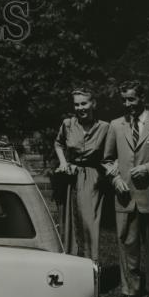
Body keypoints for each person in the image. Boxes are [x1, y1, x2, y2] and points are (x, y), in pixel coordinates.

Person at [102, 81, 149, 297]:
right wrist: (115, 179)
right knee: (127, 244)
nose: (127, 104)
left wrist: (147, 169)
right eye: (124, 100)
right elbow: (106, 160)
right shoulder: (115, 125)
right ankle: (130, 290)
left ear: (142, 98)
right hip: (124, 197)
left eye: (131, 99)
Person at [53, 88, 110, 260]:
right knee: (69, 223)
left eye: (84, 103)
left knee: (89, 222)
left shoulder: (105, 127)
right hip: (70, 178)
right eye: (76, 104)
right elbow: (58, 144)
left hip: (92, 177)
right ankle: (71, 265)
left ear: (93, 103)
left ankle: (91, 265)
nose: (80, 108)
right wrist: (63, 162)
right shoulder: (68, 124)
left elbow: (111, 154)